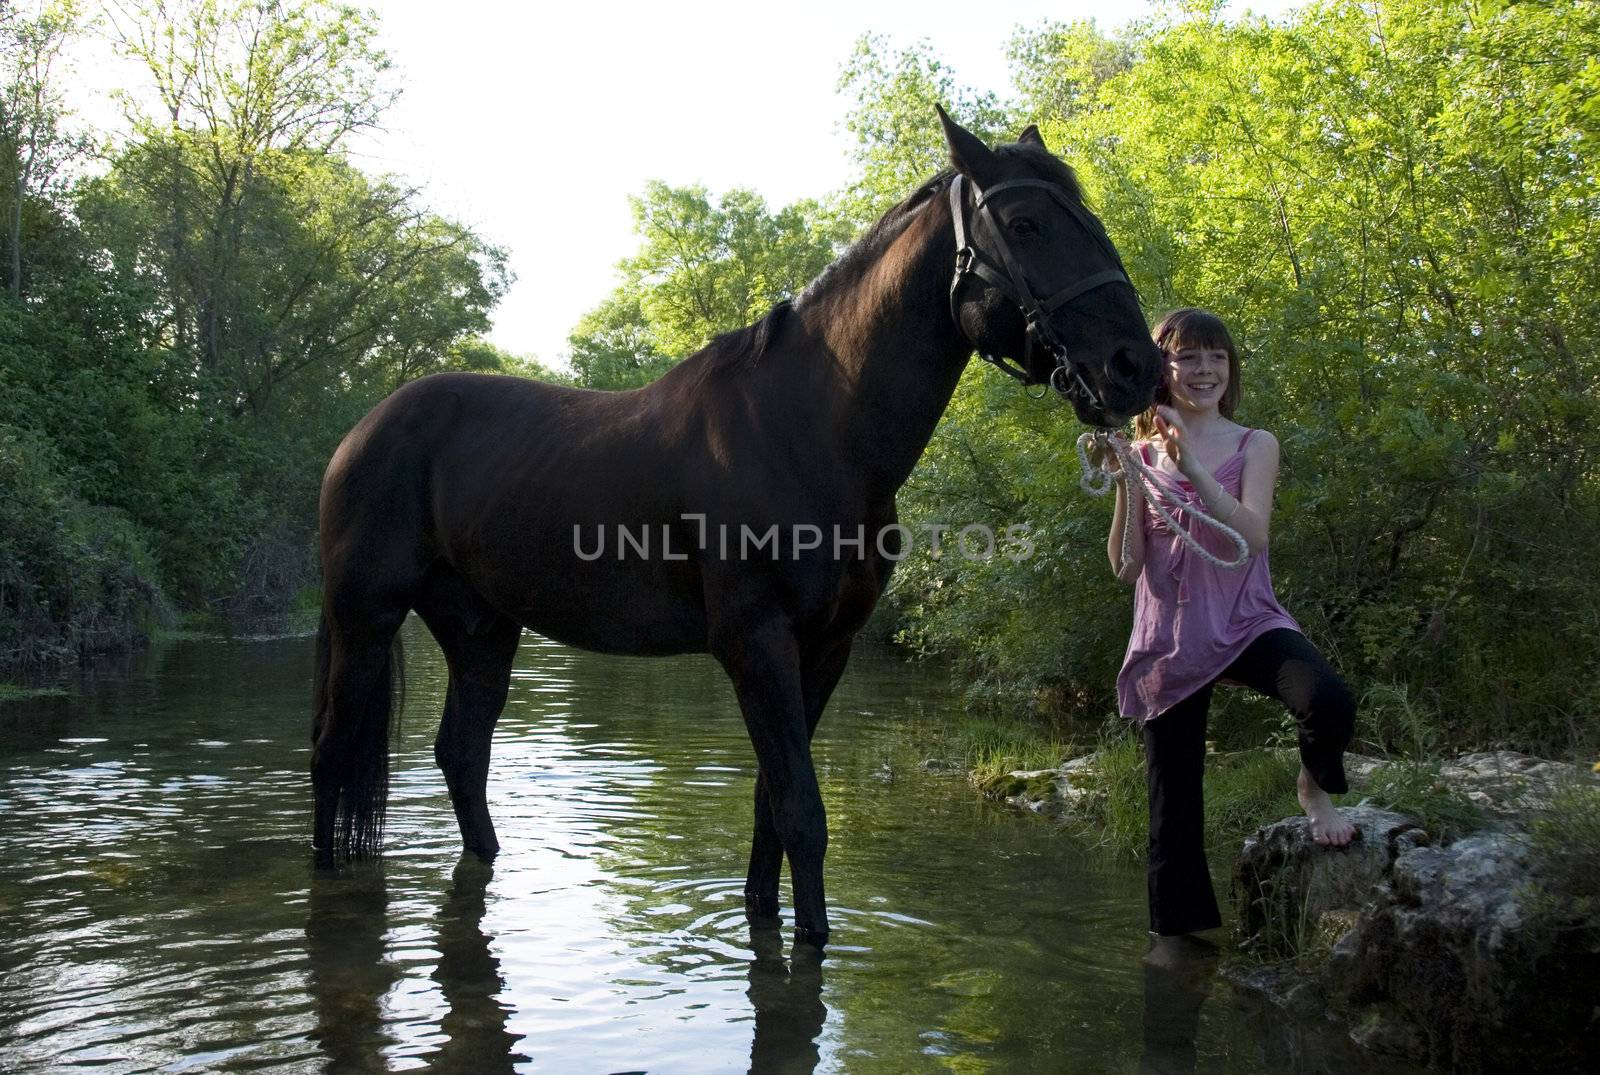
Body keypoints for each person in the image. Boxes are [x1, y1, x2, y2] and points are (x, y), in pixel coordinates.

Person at [1099, 308, 1357, 963]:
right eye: (1189, 358)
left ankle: (1313, 788)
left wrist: (1191, 465)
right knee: (1172, 804)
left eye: (1216, 356)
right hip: (1172, 638)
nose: (1206, 369)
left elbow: (1254, 537)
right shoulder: (1142, 453)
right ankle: (1177, 944)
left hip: (1245, 621)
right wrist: (1133, 479)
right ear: (1164, 369)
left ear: (1230, 367)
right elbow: (1127, 566)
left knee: (1326, 697)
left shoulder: (1255, 442)